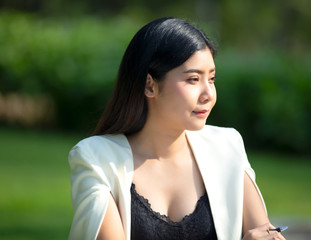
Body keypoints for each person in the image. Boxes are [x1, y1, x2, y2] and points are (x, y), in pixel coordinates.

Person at [68, 17, 286, 240]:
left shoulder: (227, 146)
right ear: (149, 85)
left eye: (211, 79)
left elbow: (263, 231)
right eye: (193, 79)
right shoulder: (97, 160)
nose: (208, 94)